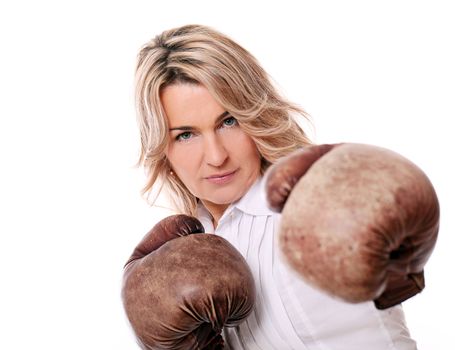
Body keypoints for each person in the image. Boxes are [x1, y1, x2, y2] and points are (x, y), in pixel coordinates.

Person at [131, 24, 418, 349]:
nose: (216, 156)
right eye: (186, 134)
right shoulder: (193, 242)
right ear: (162, 150)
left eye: (229, 121)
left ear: (256, 116)